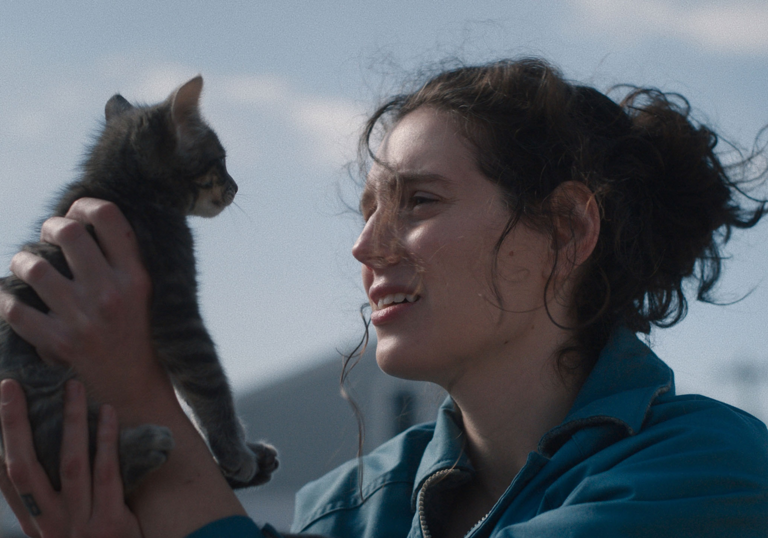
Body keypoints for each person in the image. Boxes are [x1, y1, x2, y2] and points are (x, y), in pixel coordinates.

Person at [1, 58, 767, 538]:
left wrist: (137, 389)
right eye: (366, 209)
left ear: (567, 228)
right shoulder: (348, 509)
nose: (366, 247)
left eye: (420, 202)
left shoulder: (714, 473)